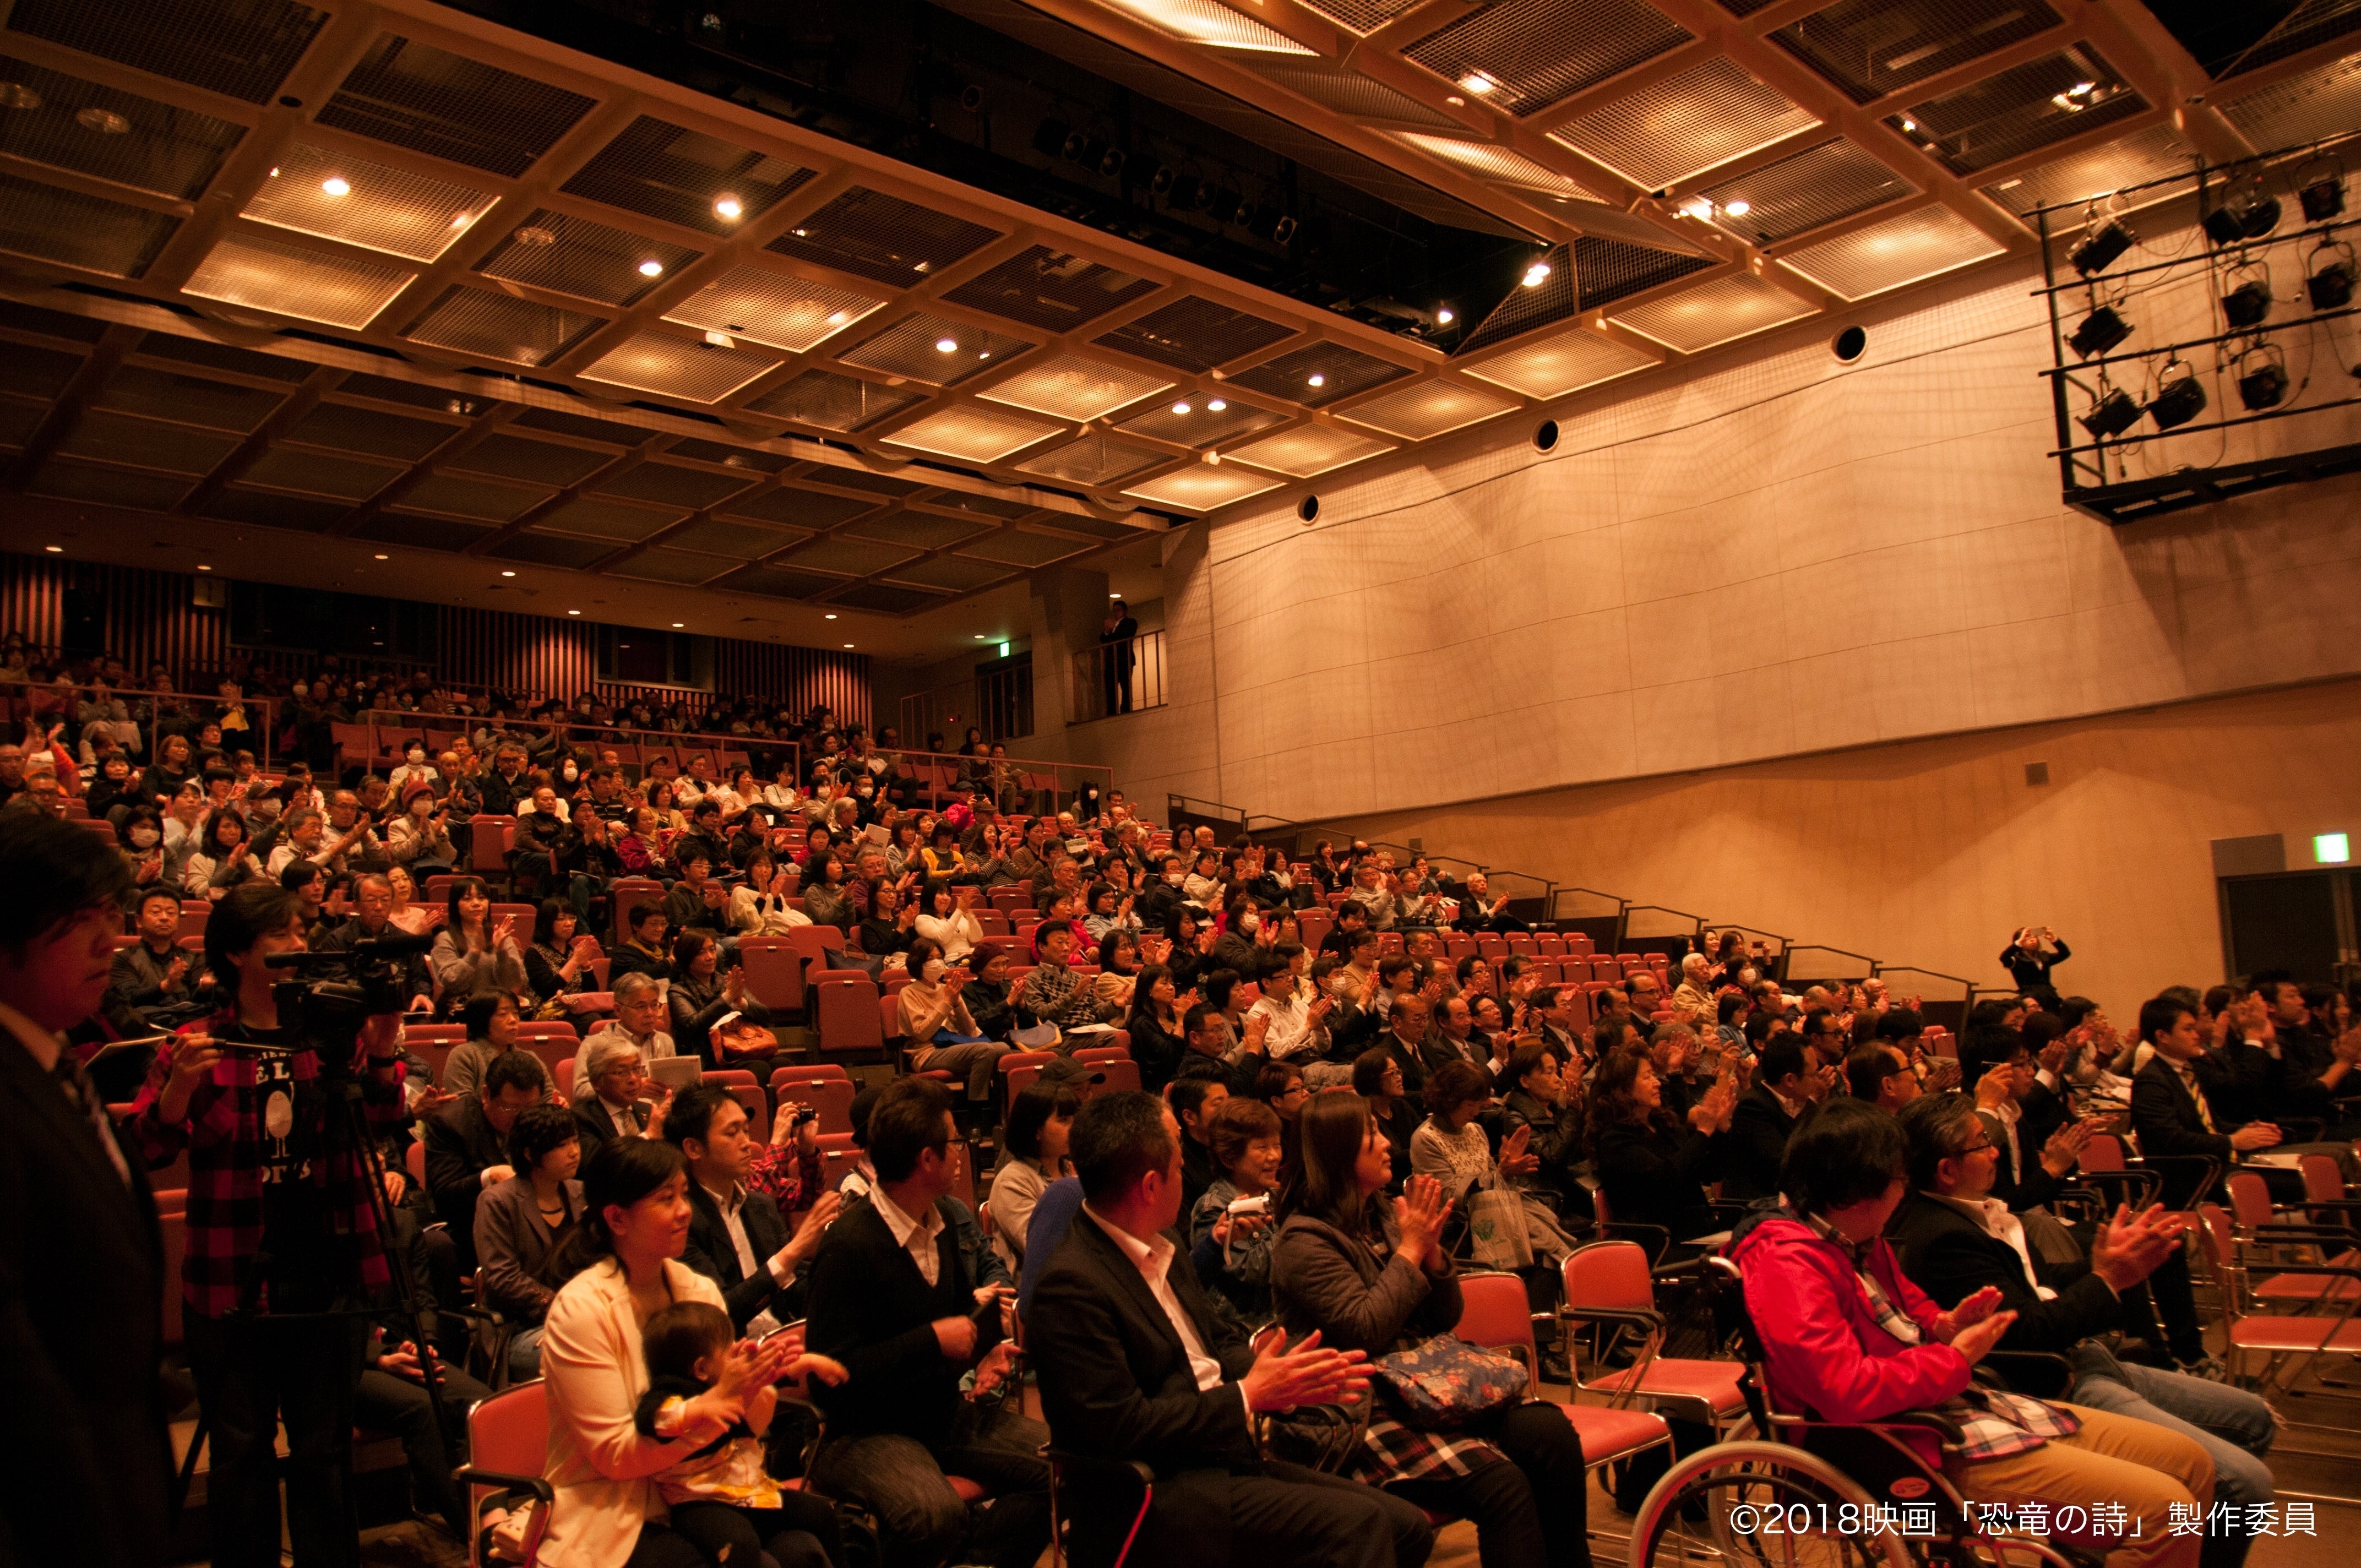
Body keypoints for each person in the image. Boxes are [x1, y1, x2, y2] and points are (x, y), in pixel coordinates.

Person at [1727, 1098, 2216, 1568]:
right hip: (1897, 1445)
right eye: (1899, 1179)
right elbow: (1843, 1389)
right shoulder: (1788, 1264)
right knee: (2165, 1515)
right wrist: (1955, 1358)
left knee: (2192, 1463)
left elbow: (1907, 1308)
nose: (1905, 1191)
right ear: (1856, 1191)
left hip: (1944, 1409)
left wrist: (1945, 1325)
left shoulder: (1849, 1235)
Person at [129, 880, 416, 1568]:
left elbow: (383, 1120)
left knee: (323, 1448)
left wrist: (381, 1048)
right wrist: (177, 1092)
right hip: (231, 1273)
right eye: (280, 935)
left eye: (301, 931)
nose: (298, 945)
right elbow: (147, 1150)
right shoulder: (197, 1044)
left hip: (327, 1266)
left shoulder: (330, 1034)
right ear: (236, 952)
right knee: (240, 1449)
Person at [1027, 1089, 1436, 1568]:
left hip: (1219, 1457)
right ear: (1151, 1187)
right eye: (1180, 1167)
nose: (1187, 1176)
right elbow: (1121, 1427)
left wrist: (1280, 1373)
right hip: (1156, 1491)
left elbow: (1217, 1339)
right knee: (1359, 1526)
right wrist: (1247, 1395)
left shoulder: (1161, 1241)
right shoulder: (1072, 1286)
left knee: (1406, 1527)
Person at [1887, 1092, 2276, 1566]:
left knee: (2253, 1418)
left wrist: (2102, 1265)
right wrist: (2108, 1280)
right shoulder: (1941, 1236)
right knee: (2243, 1484)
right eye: (1982, 1143)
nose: (1994, 1153)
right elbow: (2028, 1332)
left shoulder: (1970, 1212)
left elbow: (2035, 1286)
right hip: (2051, 1379)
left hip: (2083, 1357)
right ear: (1947, 1170)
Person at [1270, 1091, 1591, 1568]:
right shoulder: (1303, 1240)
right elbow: (1364, 1330)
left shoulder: (1383, 1213)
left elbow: (1445, 1318)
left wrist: (1434, 1254)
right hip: (1359, 1407)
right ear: (1337, 1152)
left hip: (1428, 1384)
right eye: (1371, 1136)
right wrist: (1411, 1251)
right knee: (1502, 1483)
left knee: (1550, 1435)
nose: (1387, 1144)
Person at [0, 812, 172, 1568]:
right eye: (80, 922)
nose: (111, 942)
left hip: (120, 1465)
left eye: (112, 916)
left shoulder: (57, 1063)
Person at [536, 1136, 835, 1568]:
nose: (684, 1211)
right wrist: (716, 1407)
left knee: (804, 1547)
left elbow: (747, 1427)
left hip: (706, 1486)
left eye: (684, 1195)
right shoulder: (581, 1311)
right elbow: (615, 1457)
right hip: (614, 1503)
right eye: (666, 1199)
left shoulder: (697, 1290)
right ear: (617, 1218)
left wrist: (758, 1382)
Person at [803, 1077, 1052, 1568]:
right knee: (932, 1514)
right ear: (926, 1159)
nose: (962, 1153)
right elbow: (830, 1377)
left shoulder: (939, 1222)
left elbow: (958, 1315)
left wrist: (986, 1351)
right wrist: (931, 1341)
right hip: (864, 1431)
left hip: (939, 1413)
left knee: (1061, 1465)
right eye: (954, 1141)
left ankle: (974, 1562)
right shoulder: (849, 1245)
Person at [634, 1299, 847, 1568]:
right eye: (728, 1351)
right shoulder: (670, 1391)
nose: (736, 1354)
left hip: (748, 1492)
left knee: (820, 1514)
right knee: (741, 1545)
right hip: (700, 1502)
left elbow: (769, 1375)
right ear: (701, 1369)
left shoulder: (725, 1382)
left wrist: (810, 1362)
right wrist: (699, 1409)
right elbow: (650, 1418)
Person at [666, 1082, 840, 1333]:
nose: (747, 1143)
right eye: (732, 1133)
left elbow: (791, 1288)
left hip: (781, 1336)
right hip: (729, 1347)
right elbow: (720, 1313)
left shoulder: (760, 1206)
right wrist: (796, 1249)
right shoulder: (681, 1220)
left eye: (746, 1131)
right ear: (694, 1148)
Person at [1410, 1060, 1578, 1265]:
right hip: (1462, 1227)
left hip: (1497, 1211)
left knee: (1546, 1248)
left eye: (1478, 1105)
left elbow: (1495, 1177)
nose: (1475, 1113)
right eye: (1470, 1105)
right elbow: (1449, 1195)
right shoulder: (1425, 1139)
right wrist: (1500, 1173)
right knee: (1543, 1254)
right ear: (1449, 1101)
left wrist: (1507, 1169)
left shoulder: (1475, 1130)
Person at [1586, 1046, 1738, 1250]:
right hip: (1661, 1240)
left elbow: (1710, 1172)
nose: (1657, 1082)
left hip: (1698, 1229)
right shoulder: (1615, 1140)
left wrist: (1720, 1130)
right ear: (1623, 1088)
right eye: (1647, 1077)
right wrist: (1703, 1132)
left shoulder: (1662, 1124)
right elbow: (1666, 1178)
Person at [472, 1102, 584, 1380]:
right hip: (517, 1329)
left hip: (581, 1317)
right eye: (562, 1145)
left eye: (575, 1141)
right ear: (531, 1154)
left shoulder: (580, 1193)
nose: (574, 1152)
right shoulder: (498, 1201)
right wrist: (562, 1307)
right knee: (587, 1350)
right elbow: (502, 1277)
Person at [425, 1047, 546, 1270]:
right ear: (486, 1095)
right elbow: (445, 1196)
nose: (522, 1117)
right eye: (511, 1108)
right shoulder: (450, 1123)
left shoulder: (539, 1118)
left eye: (530, 1107)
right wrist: (489, 1176)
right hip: (475, 1232)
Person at [1188, 1095, 1285, 1326]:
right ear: (1229, 1159)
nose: (1274, 1156)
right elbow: (1251, 1271)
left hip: (1283, 1316)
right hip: (1245, 1329)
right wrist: (1300, 1233)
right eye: (1262, 1147)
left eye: (1277, 1145)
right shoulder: (1214, 1208)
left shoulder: (1275, 1195)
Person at [897, 935, 1007, 1113]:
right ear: (918, 963)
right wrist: (947, 1003)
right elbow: (922, 1034)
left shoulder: (946, 989)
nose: (936, 962)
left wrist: (957, 1004)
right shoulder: (908, 993)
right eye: (930, 959)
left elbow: (970, 1031)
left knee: (1003, 1048)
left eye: (939, 958)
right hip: (927, 1052)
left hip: (954, 1045)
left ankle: (999, 1107)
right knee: (985, 1051)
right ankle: (977, 1110)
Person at [988, 1079, 1079, 1277]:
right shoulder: (1012, 1181)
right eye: (1064, 1120)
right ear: (1037, 1130)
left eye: (1075, 1119)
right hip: (1035, 1285)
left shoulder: (1074, 1170)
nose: (1074, 1128)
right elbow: (1043, 1249)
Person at [1722, 1037, 1826, 1202]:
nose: (1818, 1080)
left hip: (1795, 1198)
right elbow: (1783, 1164)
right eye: (1813, 1074)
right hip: (1760, 1206)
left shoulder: (1805, 1103)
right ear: (1790, 1080)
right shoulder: (1753, 1107)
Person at [440, 989, 557, 1103]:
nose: (513, 1020)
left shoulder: (530, 1058)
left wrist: (557, 1104)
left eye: (516, 1013)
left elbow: (549, 1098)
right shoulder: (464, 1055)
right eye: (503, 1014)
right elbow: (462, 1105)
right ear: (482, 1020)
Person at [432, 876, 527, 1001]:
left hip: (496, 1006)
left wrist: (501, 952)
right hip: (461, 1007)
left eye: (482, 898)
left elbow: (513, 983)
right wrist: (475, 952)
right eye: (467, 899)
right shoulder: (445, 938)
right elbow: (451, 982)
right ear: (456, 905)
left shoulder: (499, 936)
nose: (476, 903)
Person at [574, 1035, 662, 1153]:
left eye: (637, 1069)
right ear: (597, 1082)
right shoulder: (580, 1119)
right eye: (621, 1072)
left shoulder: (649, 1111)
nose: (633, 1079)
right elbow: (599, 1162)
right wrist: (648, 1135)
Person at [2000, 927, 2070, 1001]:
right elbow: (2004, 958)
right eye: (2027, 938)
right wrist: (2020, 942)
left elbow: (2065, 954)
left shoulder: (2044, 956)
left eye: (2034, 937)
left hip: (2050, 996)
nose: (2032, 940)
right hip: (2031, 997)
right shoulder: (2016, 959)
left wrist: (2053, 939)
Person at [1099, 600, 1138, 715]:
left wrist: (1112, 631)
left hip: (1125, 660)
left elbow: (1124, 636)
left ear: (1125, 611)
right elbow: (1103, 639)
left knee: (1126, 687)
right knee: (1110, 689)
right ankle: (1112, 712)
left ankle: (1126, 710)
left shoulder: (1131, 622)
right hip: (1111, 662)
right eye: (1115, 611)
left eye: (1119, 610)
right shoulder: (1113, 626)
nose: (1116, 613)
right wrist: (1108, 631)